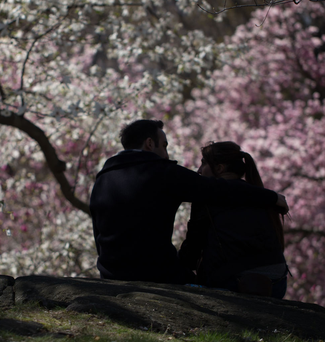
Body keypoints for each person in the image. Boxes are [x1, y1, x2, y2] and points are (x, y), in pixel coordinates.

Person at [89, 120, 289, 285]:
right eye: (164, 146)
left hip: (111, 273)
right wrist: (272, 197)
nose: (166, 154)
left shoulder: (102, 178)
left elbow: (98, 232)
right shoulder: (163, 172)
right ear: (149, 144)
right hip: (155, 274)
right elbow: (217, 189)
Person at [178, 141, 288, 299]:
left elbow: (193, 247)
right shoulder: (260, 195)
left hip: (237, 282)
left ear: (219, 168)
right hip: (277, 282)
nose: (199, 170)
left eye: (203, 164)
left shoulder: (207, 197)